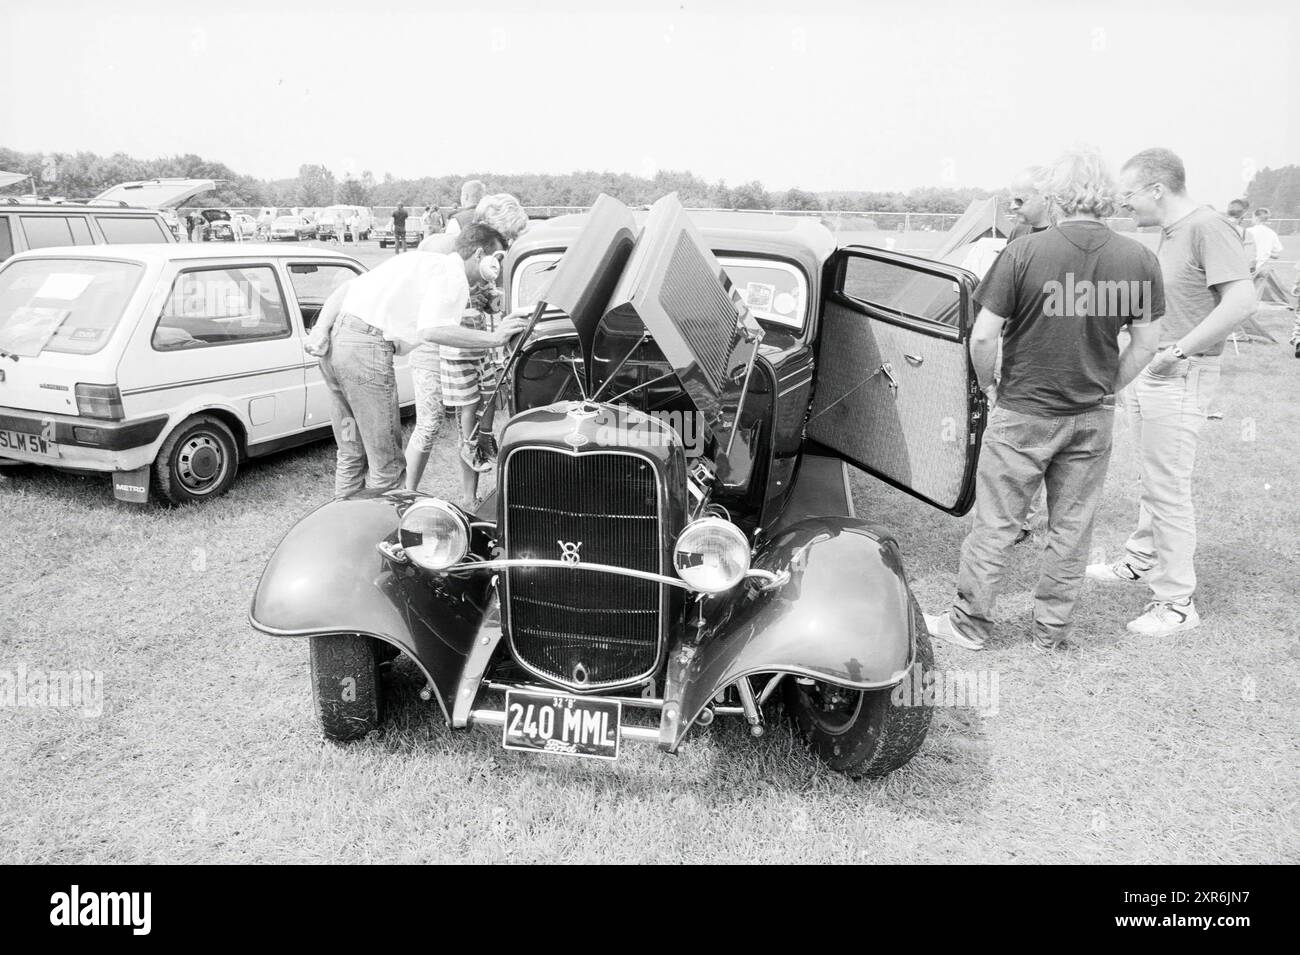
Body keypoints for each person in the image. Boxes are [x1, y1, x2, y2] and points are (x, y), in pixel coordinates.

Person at [925, 146, 1164, 652]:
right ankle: (1051, 632)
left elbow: (983, 338)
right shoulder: (1140, 258)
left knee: (996, 524)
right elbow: (1145, 343)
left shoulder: (1023, 252)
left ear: (1056, 194)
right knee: (1072, 529)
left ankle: (969, 625)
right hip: (1091, 416)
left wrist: (990, 386)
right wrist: (1108, 387)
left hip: (1022, 410)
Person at [1086, 148, 1255, 636]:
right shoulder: (1169, 234)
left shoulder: (1207, 227)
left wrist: (1177, 352)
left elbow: (1243, 300)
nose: (1126, 205)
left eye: (1130, 195)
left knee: (1168, 488)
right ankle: (1140, 559)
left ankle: (1176, 603)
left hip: (1179, 374)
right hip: (1152, 372)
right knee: (1153, 477)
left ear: (1157, 189)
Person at [304, 223, 529, 498]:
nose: (497, 269)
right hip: (365, 354)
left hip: (337, 349)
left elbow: (349, 289)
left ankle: (345, 525)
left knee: (352, 453)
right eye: (498, 259)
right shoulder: (452, 274)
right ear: (479, 254)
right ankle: (383, 534)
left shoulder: (422, 262)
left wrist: (320, 329)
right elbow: (433, 330)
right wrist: (496, 339)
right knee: (387, 465)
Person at [1004, 165, 1055, 542]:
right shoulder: (1019, 233)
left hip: (1052, 360)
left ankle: (1032, 518)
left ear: (1047, 197)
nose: (1013, 207)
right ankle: (1016, 519)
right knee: (1014, 446)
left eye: (1020, 200)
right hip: (1016, 353)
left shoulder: (1067, 238)